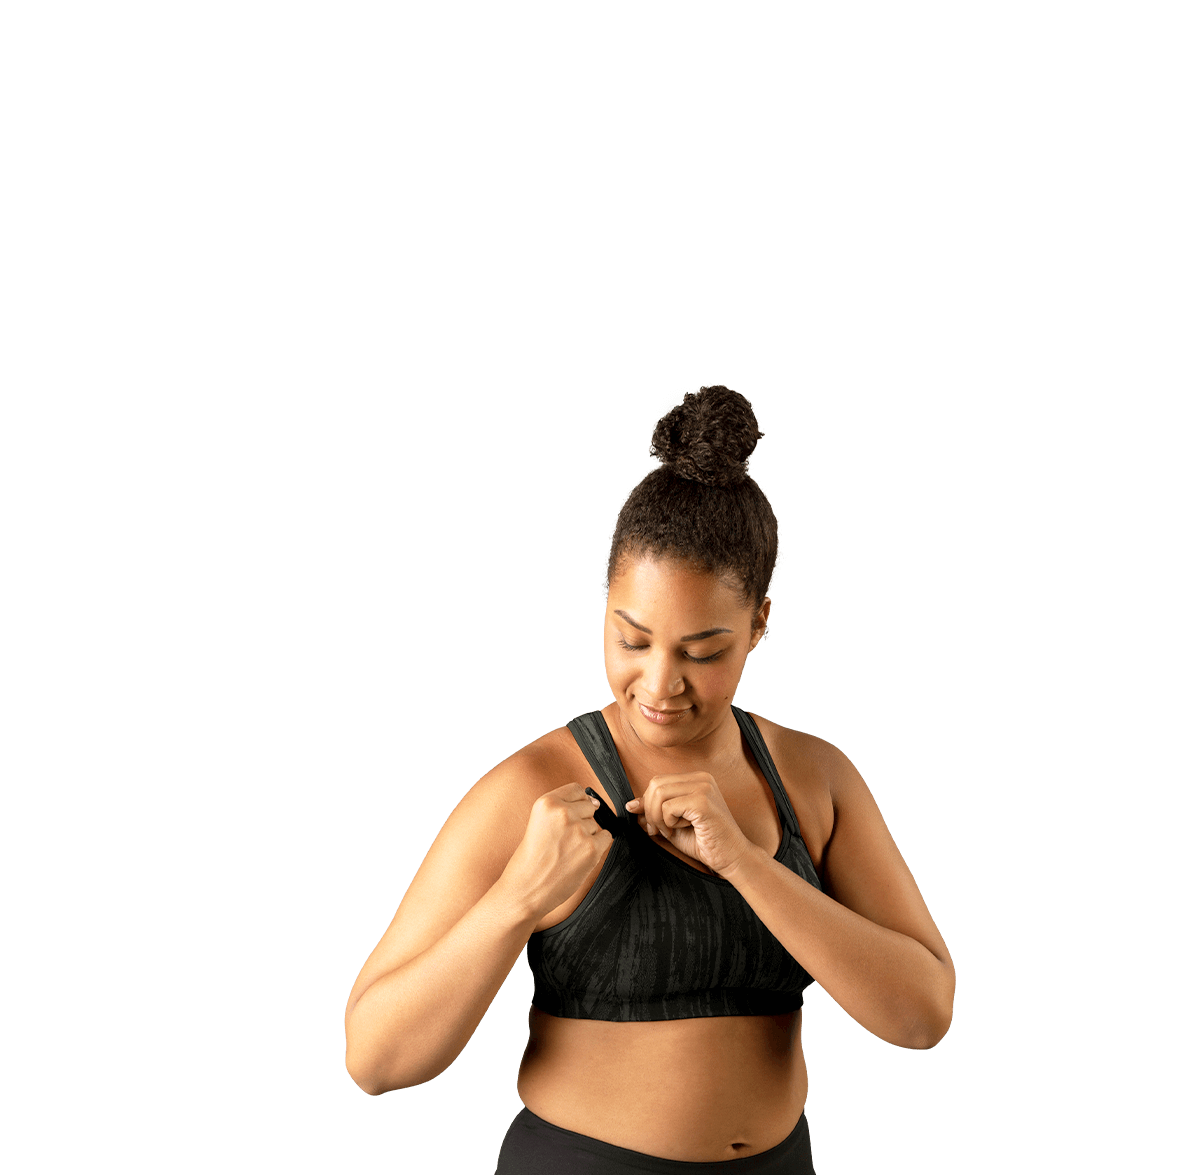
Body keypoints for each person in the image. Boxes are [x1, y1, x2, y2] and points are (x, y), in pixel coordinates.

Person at [344, 384, 954, 1172]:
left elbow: (920, 1018)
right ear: (605, 607)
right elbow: (377, 1062)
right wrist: (516, 899)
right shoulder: (529, 783)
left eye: (702, 651)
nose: (660, 684)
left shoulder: (815, 775)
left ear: (759, 624)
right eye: (631, 639)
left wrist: (743, 862)